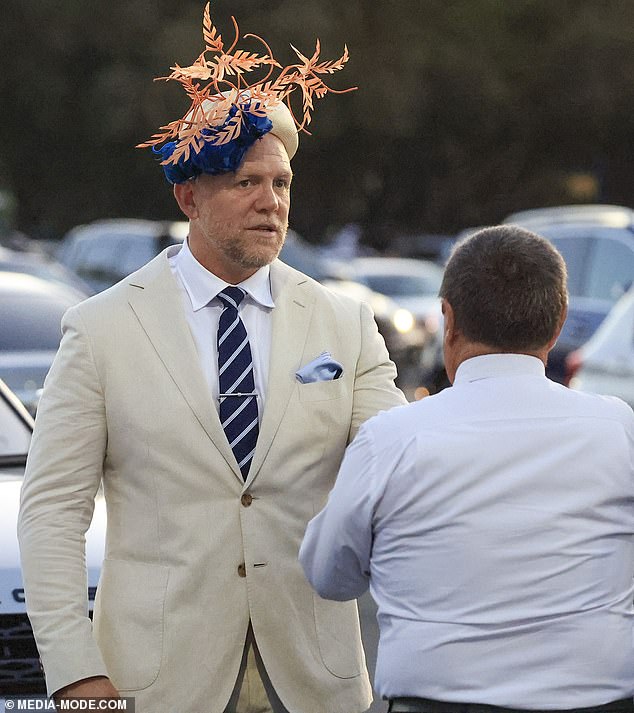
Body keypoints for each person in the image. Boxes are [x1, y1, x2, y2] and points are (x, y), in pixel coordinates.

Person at [18, 7, 406, 713]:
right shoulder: (101, 329)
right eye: (245, 183)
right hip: (152, 682)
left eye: (281, 184)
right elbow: (51, 513)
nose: (271, 202)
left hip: (317, 680)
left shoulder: (344, 323)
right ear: (188, 196)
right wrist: (74, 675)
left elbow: (400, 475)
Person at [300, 225, 634, 713]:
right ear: (558, 322)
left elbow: (328, 575)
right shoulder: (620, 429)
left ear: (448, 321)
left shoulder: (391, 439)